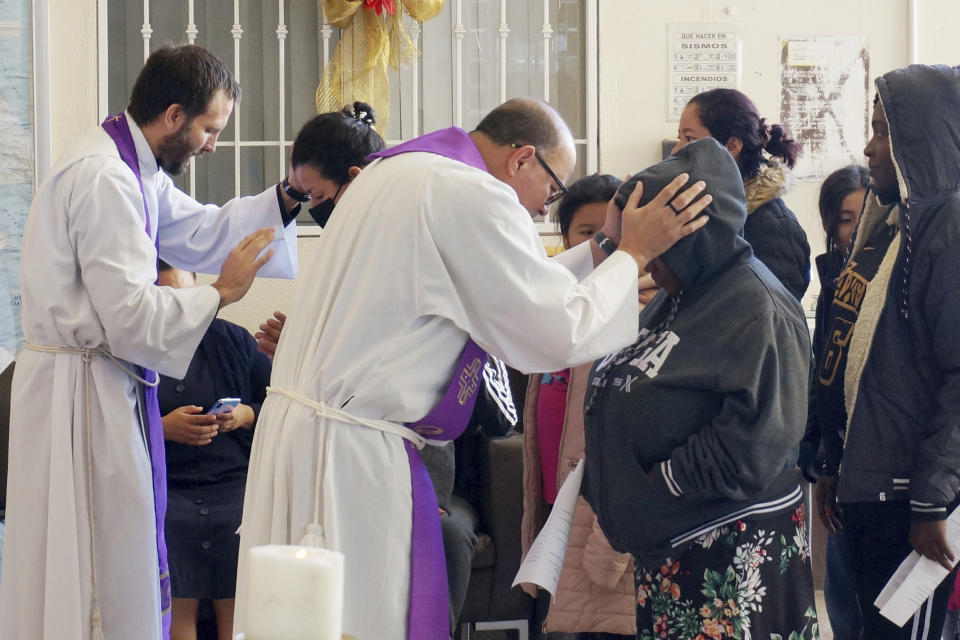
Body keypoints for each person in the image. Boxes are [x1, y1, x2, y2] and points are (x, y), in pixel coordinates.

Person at [235, 97, 713, 640]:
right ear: (523, 159)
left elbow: (518, 286)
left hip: (309, 435)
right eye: (552, 189)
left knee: (299, 618)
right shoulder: (472, 193)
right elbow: (553, 331)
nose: (541, 208)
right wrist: (634, 253)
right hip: (351, 460)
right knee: (360, 618)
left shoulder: (396, 171)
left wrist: (605, 247)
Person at [0, 44, 301, 640]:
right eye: (210, 128)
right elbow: (130, 317)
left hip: (96, 383)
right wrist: (220, 294)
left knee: (119, 549)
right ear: (172, 115)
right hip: (80, 394)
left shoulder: (130, 167)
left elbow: (200, 228)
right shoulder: (104, 177)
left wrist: (288, 198)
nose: (213, 143)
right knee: (96, 556)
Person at [582, 138, 815, 639]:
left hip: (725, 562)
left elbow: (758, 440)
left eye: (651, 241)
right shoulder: (685, 293)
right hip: (673, 552)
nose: (643, 261)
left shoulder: (758, 308)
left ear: (689, 232)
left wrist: (663, 482)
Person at [817, 65, 960, 640]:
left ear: (919, 141)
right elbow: (843, 356)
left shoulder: (947, 229)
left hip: (911, 501)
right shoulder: (887, 228)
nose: (870, 148)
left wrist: (933, 502)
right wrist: (831, 462)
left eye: (884, 133)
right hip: (867, 490)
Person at [521, 174, 640, 639]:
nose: (600, 244)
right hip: (554, 511)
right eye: (586, 233)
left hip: (598, 525)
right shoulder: (555, 310)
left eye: (610, 232)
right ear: (566, 238)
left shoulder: (635, 308)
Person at [155, 262, 271, 640]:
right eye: (166, 300)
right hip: (168, 487)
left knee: (241, 520)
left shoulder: (234, 342)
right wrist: (162, 429)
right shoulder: (134, 352)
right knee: (171, 525)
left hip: (233, 483)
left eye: (188, 298)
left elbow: (278, 404)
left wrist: (243, 414)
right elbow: (109, 428)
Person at [253, 101, 385, 358]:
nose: (313, 207)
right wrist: (299, 348)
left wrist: (307, 351)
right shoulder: (350, 245)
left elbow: (379, 350)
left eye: (317, 194)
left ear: (355, 178)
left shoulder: (394, 246)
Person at [797, 164, 868, 640]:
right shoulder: (831, 283)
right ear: (828, 223)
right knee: (843, 600)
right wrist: (819, 453)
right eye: (847, 219)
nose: (857, 230)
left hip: (880, 470)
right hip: (838, 465)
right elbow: (823, 374)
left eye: (865, 217)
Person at [672, 88, 811, 301]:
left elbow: (770, 317)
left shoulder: (774, 228)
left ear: (732, 146)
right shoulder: (709, 212)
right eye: (679, 138)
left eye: (690, 139)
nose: (676, 151)